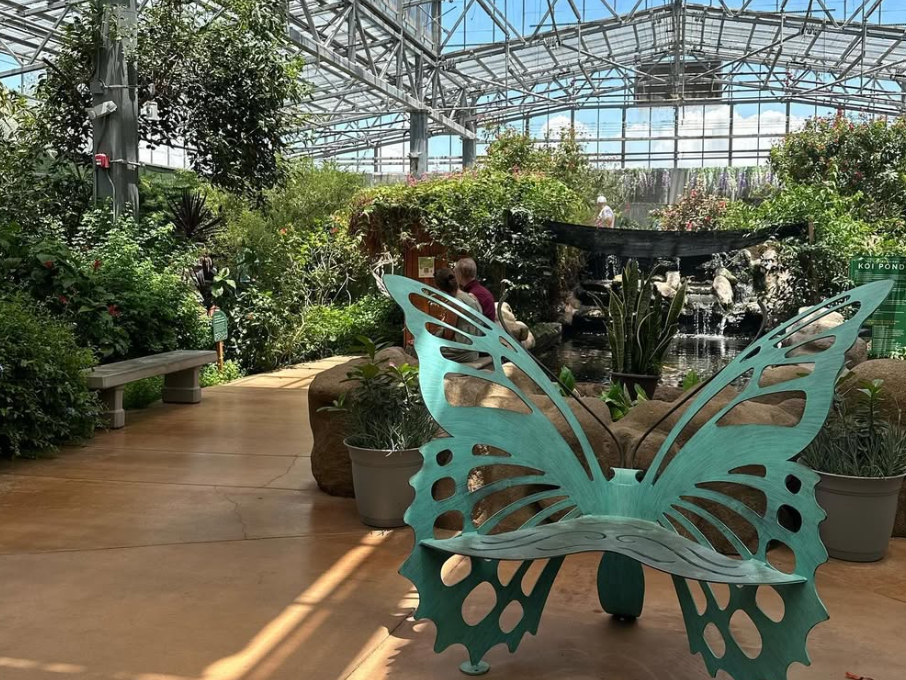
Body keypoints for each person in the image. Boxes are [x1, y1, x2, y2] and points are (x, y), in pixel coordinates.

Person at [433, 268, 481, 363]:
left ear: (440, 288)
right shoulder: (469, 296)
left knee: (418, 348)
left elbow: (448, 335)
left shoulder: (454, 304)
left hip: (462, 352)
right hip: (474, 350)